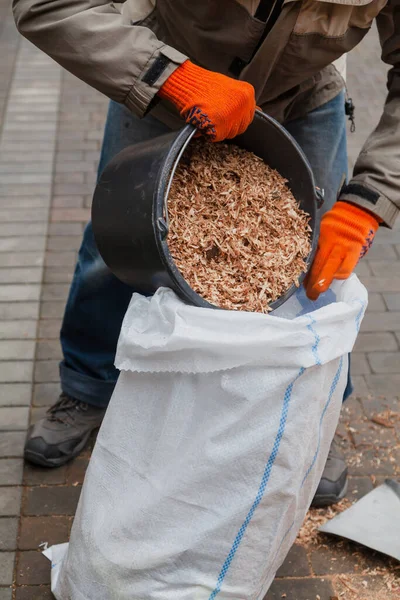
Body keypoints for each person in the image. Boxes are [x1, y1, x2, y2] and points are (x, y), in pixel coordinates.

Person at [13, 0, 399, 508]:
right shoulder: (168, 78)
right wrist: (171, 79)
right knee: (117, 247)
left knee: (312, 274)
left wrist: (369, 199)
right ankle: (88, 385)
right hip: (169, 81)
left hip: (303, 95)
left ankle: (309, 415)